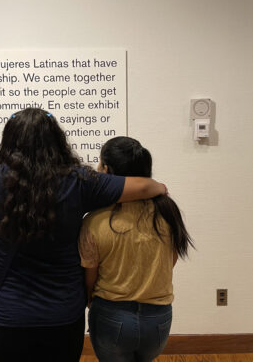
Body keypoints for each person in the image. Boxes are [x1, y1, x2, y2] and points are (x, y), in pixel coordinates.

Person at [0, 108, 168, 362]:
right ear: (57, 142)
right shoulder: (80, 182)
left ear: (8, 141)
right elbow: (148, 186)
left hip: (9, 319)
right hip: (64, 318)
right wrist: (160, 187)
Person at [79, 136, 194, 362]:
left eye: (100, 164)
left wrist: (93, 304)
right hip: (159, 318)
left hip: (112, 315)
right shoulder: (168, 212)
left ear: (108, 170)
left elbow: (89, 279)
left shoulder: (95, 220)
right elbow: (169, 262)